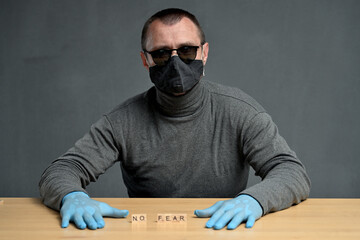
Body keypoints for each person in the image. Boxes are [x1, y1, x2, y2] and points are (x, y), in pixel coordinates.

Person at [39, 8, 311, 231]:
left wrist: (254, 200)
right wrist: (71, 197)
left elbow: (291, 171)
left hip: (225, 233)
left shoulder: (240, 111)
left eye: (187, 51)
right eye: (160, 53)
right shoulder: (122, 121)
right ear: (145, 60)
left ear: (204, 53)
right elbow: (62, 170)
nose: (175, 63)